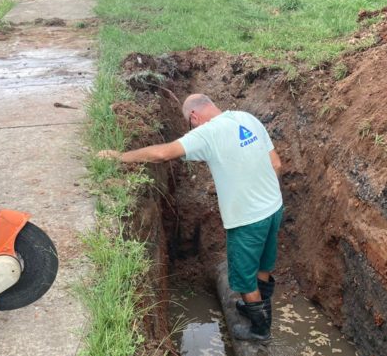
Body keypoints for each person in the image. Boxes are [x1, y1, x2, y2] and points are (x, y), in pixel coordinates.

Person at [98, 93, 284, 342]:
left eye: (189, 123)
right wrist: (265, 196)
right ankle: (257, 310)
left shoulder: (207, 133)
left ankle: (260, 329)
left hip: (246, 219)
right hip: (273, 208)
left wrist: (119, 156)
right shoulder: (246, 119)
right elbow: (276, 164)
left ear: (194, 116)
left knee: (243, 277)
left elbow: (163, 153)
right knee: (262, 265)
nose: (191, 128)